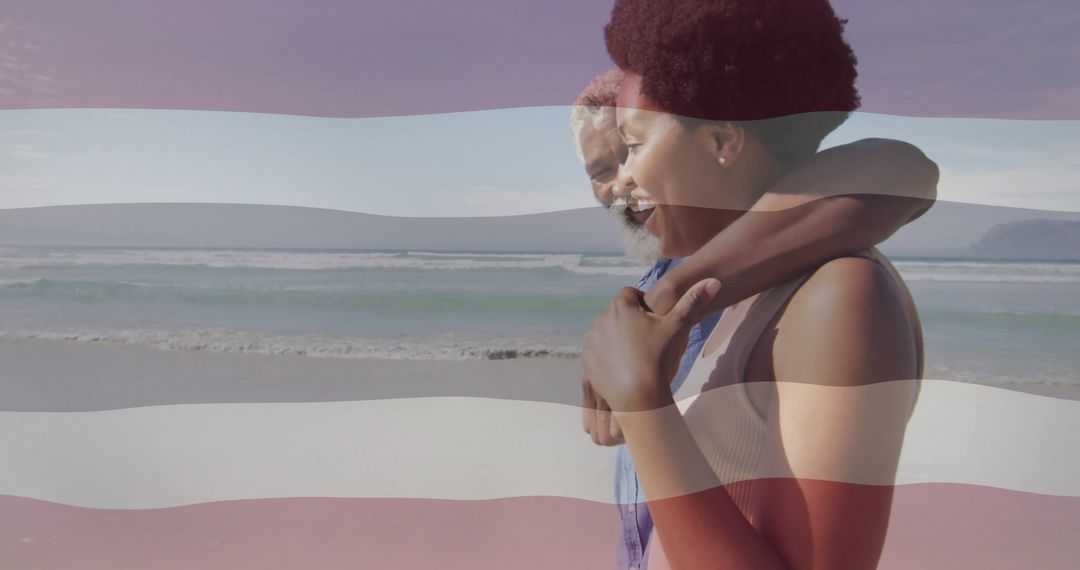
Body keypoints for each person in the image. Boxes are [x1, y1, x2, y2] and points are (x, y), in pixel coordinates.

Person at [581, 1, 924, 568]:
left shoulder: (839, 299)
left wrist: (643, 403)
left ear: (722, 142)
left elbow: (902, 169)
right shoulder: (697, 284)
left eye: (635, 145)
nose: (625, 178)